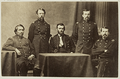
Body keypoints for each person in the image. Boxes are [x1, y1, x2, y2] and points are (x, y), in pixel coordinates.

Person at [28, 8, 51, 76]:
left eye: (42, 13)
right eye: (40, 13)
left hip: (45, 45)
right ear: (37, 14)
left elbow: (47, 36)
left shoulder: (47, 25)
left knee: (45, 61)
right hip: (36, 45)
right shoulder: (33, 24)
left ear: (44, 14)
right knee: (37, 62)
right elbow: (30, 37)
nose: (41, 15)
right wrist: (32, 47)